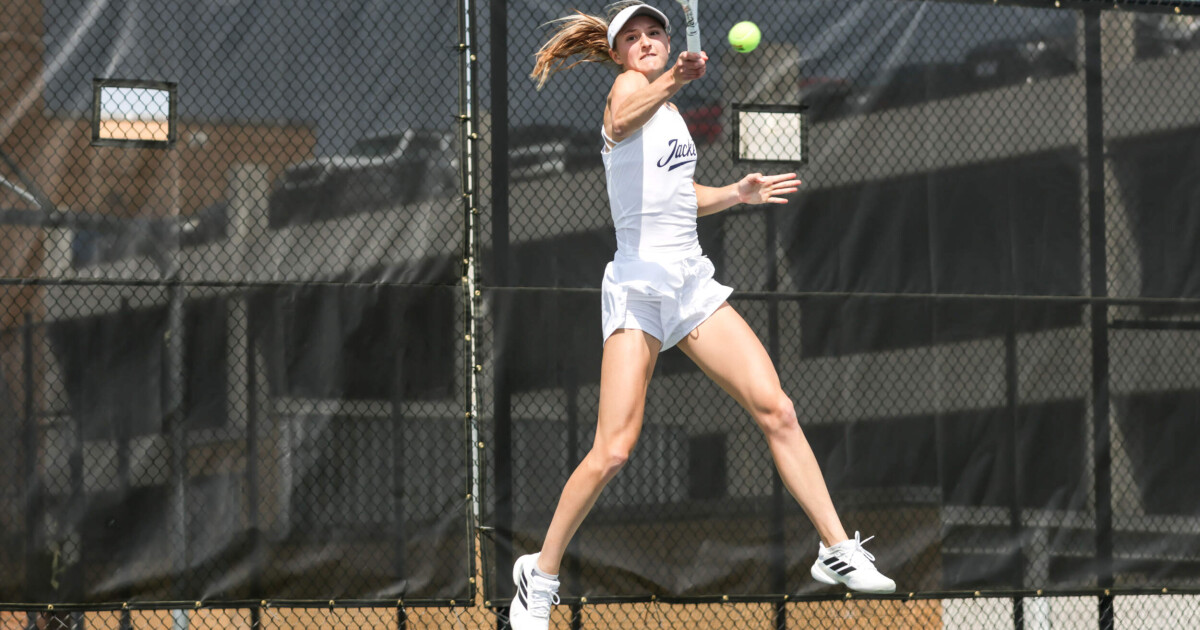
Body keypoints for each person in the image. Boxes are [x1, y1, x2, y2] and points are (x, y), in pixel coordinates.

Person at [511, 3, 895, 628]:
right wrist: (675, 79)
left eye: (653, 33)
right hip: (639, 287)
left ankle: (836, 548)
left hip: (690, 285)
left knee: (777, 408)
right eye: (632, 38)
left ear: (668, 40)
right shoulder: (628, 91)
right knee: (613, 451)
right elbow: (622, 119)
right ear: (617, 53)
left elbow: (678, 194)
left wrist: (737, 193)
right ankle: (541, 574)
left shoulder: (669, 113)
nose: (645, 42)